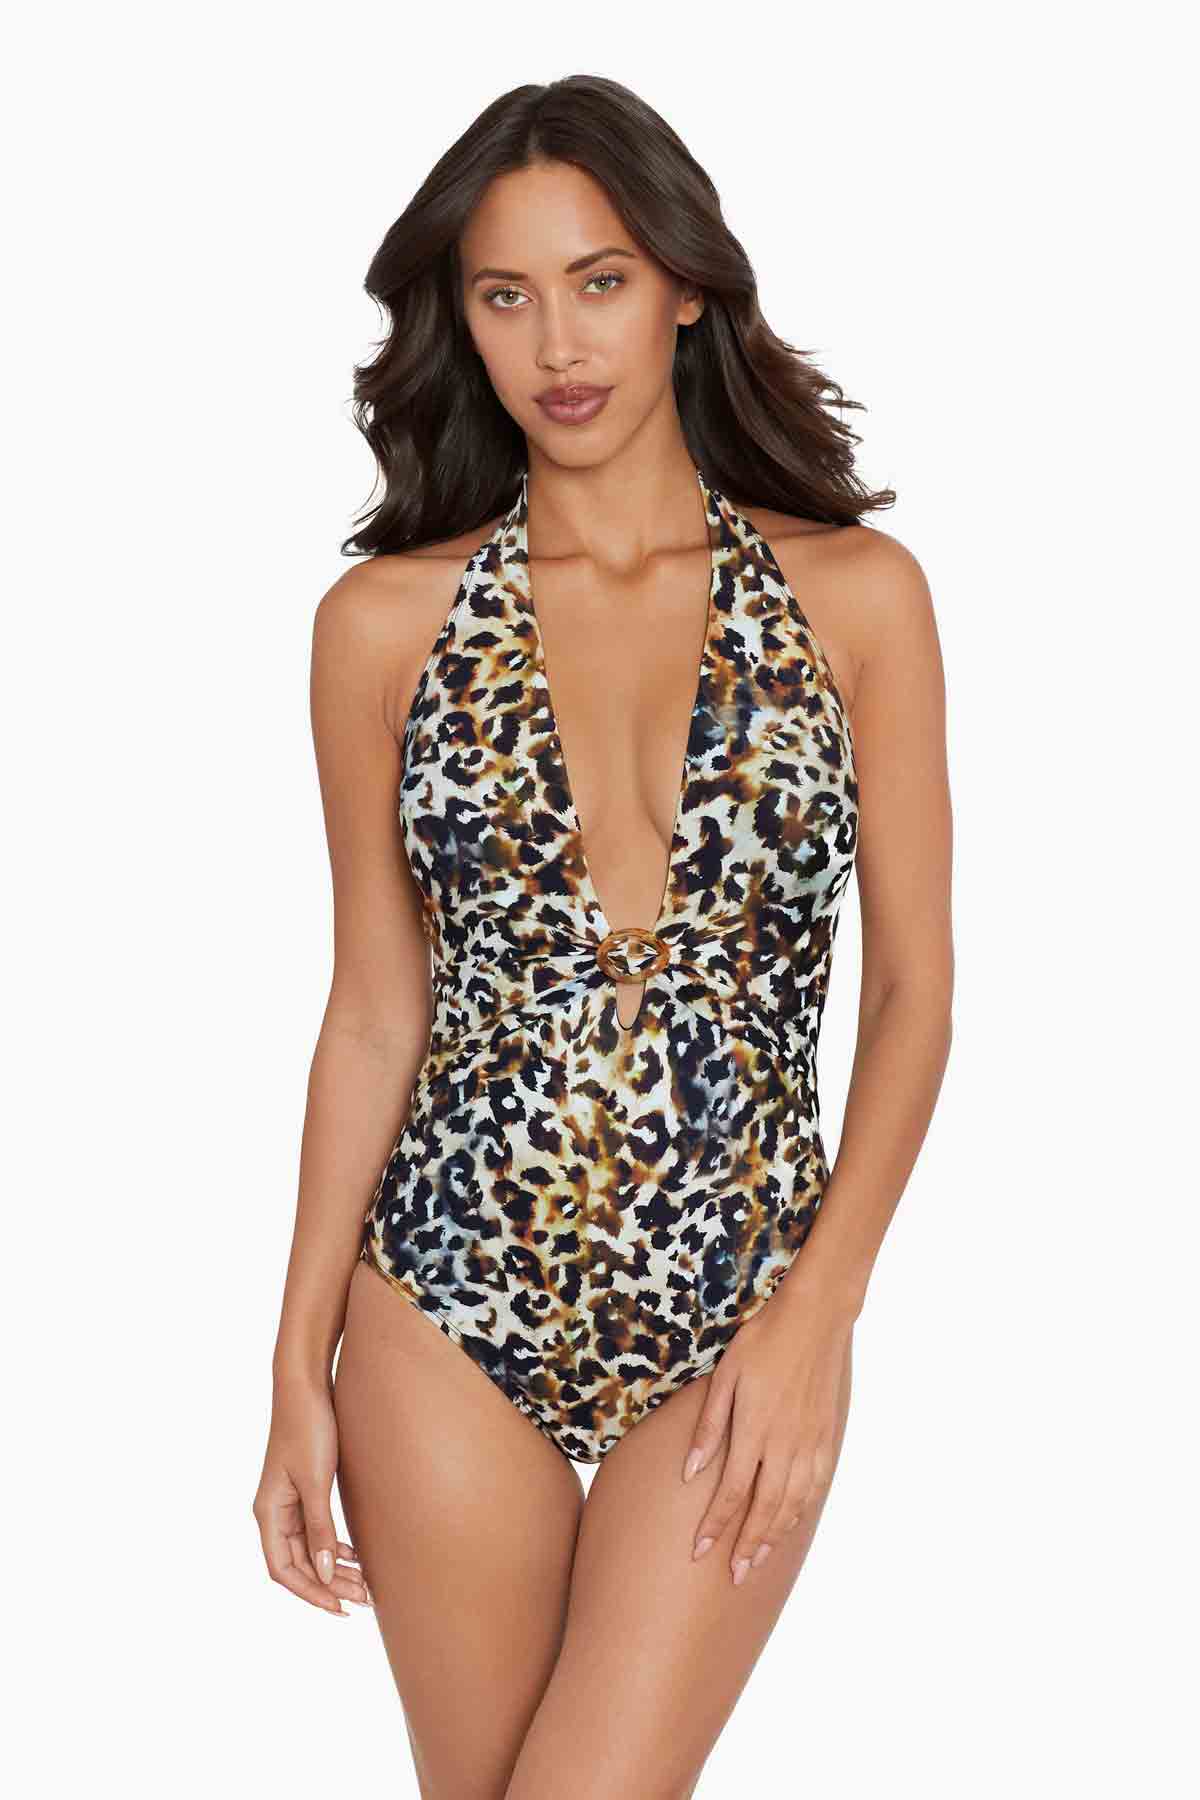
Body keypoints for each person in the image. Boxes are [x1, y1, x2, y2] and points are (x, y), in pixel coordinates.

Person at [253, 73, 953, 1799]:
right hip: (442, 1299)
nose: (557, 343)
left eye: (601, 280)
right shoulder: (381, 627)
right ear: (462, 322)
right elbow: (374, 1010)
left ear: (686, 287)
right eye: (506, 296)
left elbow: (915, 994)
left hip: (740, 1305)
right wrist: (291, 1366)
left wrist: (819, 1317)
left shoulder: (858, 598)